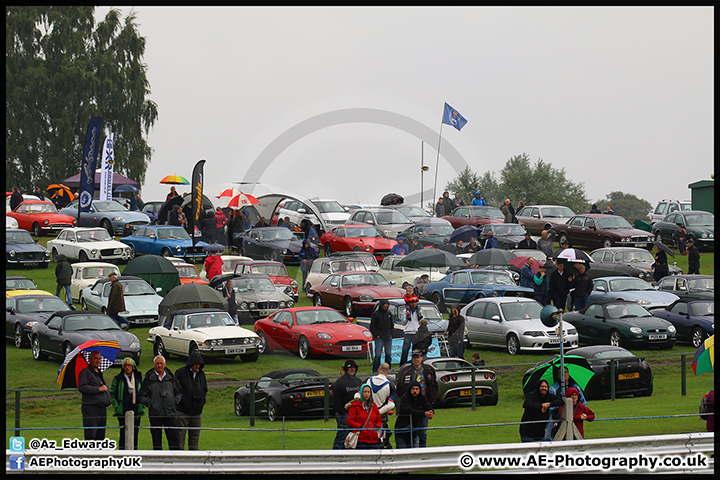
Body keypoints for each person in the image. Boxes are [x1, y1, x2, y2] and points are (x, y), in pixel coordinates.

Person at [138, 355, 180, 450]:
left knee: (173, 439)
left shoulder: (170, 377)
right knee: (156, 440)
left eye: (161, 363)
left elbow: (179, 392)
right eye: (157, 363)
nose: (159, 365)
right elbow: (141, 396)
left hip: (170, 413)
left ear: (165, 364)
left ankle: (175, 460)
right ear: (154, 365)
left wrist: (175, 401)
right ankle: (157, 461)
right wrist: (151, 403)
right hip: (155, 414)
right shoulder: (149, 378)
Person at [396, 353, 438, 448]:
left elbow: (435, 385)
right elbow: (399, 387)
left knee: (422, 433)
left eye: (418, 357)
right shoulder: (405, 371)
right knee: (411, 432)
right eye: (414, 357)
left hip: (423, 405)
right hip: (409, 407)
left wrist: (431, 408)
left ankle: (422, 453)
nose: (416, 359)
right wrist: (406, 399)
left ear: (421, 358)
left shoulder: (429, 369)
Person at [354, 363, 396, 448]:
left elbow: (356, 395)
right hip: (380, 420)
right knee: (379, 443)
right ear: (388, 371)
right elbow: (391, 404)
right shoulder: (390, 385)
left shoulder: (368, 380)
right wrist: (377, 412)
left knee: (364, 442)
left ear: (378, 370)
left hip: (364, 418)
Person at [173, 351, 208, 450]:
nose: (197, 366)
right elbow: (175, 389)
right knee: (180, 439)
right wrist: (180, 403)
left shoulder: (201, 375)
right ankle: (179, 460)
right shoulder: (180, 373)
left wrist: (202, 401)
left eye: (199, 364)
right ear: (191, 363)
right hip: (183, 413)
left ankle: (195, 461)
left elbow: (204, 389)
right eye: (195, 364)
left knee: (194, 439)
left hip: (197, 413)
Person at [110, 357, 144, 450]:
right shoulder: (118, 378)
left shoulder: (138, 377)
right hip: (123, 409)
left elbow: (145, 392)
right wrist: (117, 407)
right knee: (123, 434)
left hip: (136, 409)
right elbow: (112, 394)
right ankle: (122, 454)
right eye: (125, 365)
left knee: (135, 434)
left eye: (129, 365)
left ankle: (134, 454)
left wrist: (143, 405)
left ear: (133, 367)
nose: (127, 367)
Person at [545, 366, 587, 441]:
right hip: (556, 414)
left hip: (574, 413)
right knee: (549, 434)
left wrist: (584, 412)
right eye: (561, 373)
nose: (563, 374)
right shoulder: (553, 388)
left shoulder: (575, 387)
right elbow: (551, 405)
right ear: (558, 375)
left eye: (565, 372)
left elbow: (583, 401)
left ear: (568, 374)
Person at [77, 350, 112, 440]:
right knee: (91, 435)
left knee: (101, 436)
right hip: (91, 408)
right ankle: (90, 453)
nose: (98, 361)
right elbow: (82, 387)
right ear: (90, 359)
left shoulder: (99, 373)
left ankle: (99, 453)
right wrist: (98, 389)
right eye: (95, 358)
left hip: (102, 408)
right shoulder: (85, 372)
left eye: (99, 359)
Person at [331, 359, 363, 449]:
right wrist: (342, 413)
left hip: (357, 415)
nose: (352, 370)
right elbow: (336, 401)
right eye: (350, 368)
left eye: (354, 368)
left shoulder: (358, 381)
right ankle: (336, 458)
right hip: (345, 415)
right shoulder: (339, 383)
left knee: (355, 438)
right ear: (346, 369)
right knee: (341, 438)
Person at [345, 383, 383, 449]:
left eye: (368, 392)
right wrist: (360, 426)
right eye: (365, 392)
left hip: (373, 438)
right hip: (361, 438)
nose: (366, 394)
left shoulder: (374, 406)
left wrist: (377, 426)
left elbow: (379, 419)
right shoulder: (355, 406)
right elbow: (349, 421)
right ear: (361, 393)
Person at [370, 300, 394, 373]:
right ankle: (375, 370)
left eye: (387, 304)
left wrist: (391, 333)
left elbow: (391, 325)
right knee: (377, 355)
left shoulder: (389, 314)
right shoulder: (375, 314)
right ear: (381, 305)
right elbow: (372, 326)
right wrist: (376, 335)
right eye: (385, 304)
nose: (386, 306)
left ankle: (388, 369)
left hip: (388, 337)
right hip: (379, 337)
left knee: (388, 354)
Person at [400, 297, 423, 366]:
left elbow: (421, 322)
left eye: (415, 302)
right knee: (405, 350)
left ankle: (416, 365)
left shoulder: (419, 311)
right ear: (409, 303)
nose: (414, 304)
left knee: (417, 351)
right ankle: (402, 365)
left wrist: (421, 315)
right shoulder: (405, 311)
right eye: (412, 302)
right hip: (408, 333)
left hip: (416, 332)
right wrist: (407, 316)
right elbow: (403, 323)